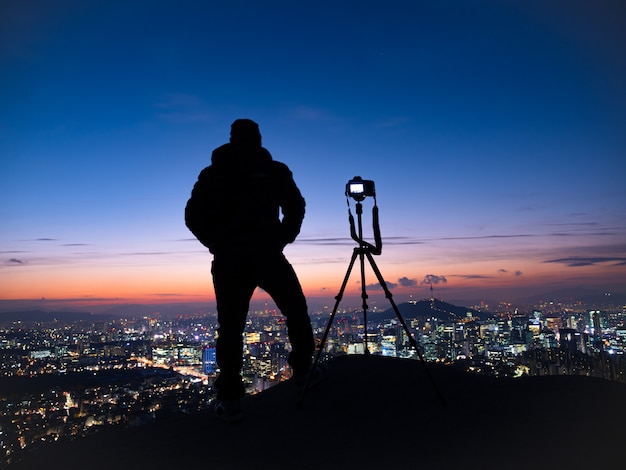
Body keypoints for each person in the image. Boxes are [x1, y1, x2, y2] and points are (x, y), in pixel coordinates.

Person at [185, 119, 315, 421]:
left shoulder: (212, 174)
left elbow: (192, 215)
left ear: (231, 139)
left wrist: (215, 243)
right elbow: (296, 206)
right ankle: (304, 372)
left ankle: (230, 398)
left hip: (229, 259)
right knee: (296, 310)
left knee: (230, 328)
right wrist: (282, 238)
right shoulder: (274, 170)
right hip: (267, 253)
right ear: (258, 138)